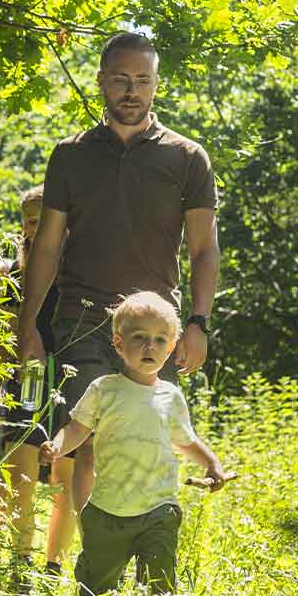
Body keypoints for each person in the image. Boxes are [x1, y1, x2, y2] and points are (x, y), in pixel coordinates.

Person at [17, 31, 219, 517]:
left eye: (143, 80)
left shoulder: (187, 158)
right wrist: (27, 328)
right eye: (122, 79)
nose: (132, 90)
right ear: (102, 81)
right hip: (82, 320)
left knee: (147, 442)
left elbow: (204, 248)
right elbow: (45, 248)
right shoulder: (71, 155)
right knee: (88, 441)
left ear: (155, 86)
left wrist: (197, 322)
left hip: (154, 325)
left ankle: (141, 555)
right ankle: (95, 561)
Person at [39, 291, 229, 596]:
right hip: (108, 510)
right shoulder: (103, 389)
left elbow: (185, 440)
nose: (149, 347)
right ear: (118, 344)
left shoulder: (171, 397)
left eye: (159, 340)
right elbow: (77, 429)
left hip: (158, 508)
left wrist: (212, 463)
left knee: (159, 585)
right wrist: (57, 446)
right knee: (96, 593)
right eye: (139, 337)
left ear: (171, 348)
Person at [0, 188, 78, 585]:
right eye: (29, 219)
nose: (37, 227)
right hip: (29, 372)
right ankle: (18, 559)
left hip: (73, 372)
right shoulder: (9, 271)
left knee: (68, 469)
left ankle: (54, 565)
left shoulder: (81, 270)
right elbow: (2, 336)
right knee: (21, 463)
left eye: (45, 219)